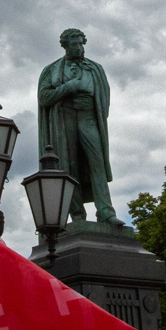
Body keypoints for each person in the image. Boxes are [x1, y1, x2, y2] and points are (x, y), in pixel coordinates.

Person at [36, 28, 121, 226]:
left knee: (97, 162)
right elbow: (44, 97)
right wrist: (69, 87)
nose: (79, 47)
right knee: (68, 164)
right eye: (74, 44)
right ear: (65, 46)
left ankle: (105, 212)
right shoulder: (52, 70)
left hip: (88, 116)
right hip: (64, 115)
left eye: (81, 43)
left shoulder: (95, 68)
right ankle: (77, 215)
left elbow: (104, 99)